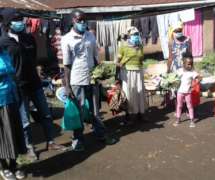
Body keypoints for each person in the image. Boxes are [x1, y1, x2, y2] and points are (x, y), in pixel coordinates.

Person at [0, 8, 65, 160]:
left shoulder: (29, 38)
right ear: (9, 23)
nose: (21, 23)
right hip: (18, 87)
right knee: (24, 120)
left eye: (21, 19)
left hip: (34, 83)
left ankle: (51, 141)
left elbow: (34, 59)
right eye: (17, 20)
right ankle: (29, 148)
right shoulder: (3, 42)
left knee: (46, 114)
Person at [61, 10, 116, 151]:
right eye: (79, 20)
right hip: (76, 80)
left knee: (95, 110)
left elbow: (95, 58)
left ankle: (101, 135)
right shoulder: (66, 39)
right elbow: (66, 65)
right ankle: (78, 139)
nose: (83, 23)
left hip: (92, 79)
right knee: (78, 110)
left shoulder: (90, 35)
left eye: (84, 20)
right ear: (73, 20)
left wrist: (100, 74)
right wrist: (67, 86)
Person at [0, 48, 27, 179]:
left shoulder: (5, 53)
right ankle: (3, 166)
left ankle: (13, 164)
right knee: (2, 135)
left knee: (13, 133)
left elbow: (13, 75)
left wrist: (19, 92)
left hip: (11, 98)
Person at [117, 26, 147, 122]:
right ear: (129, 35)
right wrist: (117, 75)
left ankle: (140, 113)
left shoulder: (140, 46)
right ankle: (128, 115)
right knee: (129, 93)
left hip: (139, 72)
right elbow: (117, 61)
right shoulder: (123, 45)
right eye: (134, 34)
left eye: (137, 34)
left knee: (139, 92)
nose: (136, 36)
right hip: (127, 73)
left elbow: (141, 58)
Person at [173, 53, 201, 128]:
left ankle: (192, 120)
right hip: (180, 92)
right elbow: (174, 78)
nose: (190, 66)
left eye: (191, 64)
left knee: (190, 106)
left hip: (188, 93)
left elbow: (200, 78)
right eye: (188, 64)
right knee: (179, 106)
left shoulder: (192, 72)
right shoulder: (179, 71)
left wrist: (193, 85)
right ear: (183, 63)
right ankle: (178, 119)